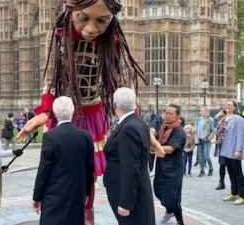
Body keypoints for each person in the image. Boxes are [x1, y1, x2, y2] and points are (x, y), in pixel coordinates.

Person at [17, 0, 165, 222]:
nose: (92, 28)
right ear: (71, 9)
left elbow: (121, 83)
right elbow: (51, 77)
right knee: (63, 167)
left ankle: (87, 214)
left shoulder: (113, 41)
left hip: (94, 112)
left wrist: (137, 121)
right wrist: (44, 111)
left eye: (102, 20)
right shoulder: (60, 35)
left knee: (90, 170)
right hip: (67, 112)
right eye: (83, 18)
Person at [32, 96, 94, 225]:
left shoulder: (50, 136)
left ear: (54, 113)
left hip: (54, 193)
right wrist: (87, 191)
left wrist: (36, 196)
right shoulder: (85, 135)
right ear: (72, 112)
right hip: (77, 193)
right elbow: (89, 167)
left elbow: (44, 169)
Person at [103, 88, 155, 225]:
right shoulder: (138, 122)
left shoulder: (128, 129)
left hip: (130, 194)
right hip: (138, 189)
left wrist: (126, 202)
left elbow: (130, 167)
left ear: (115, 105)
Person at [154, 104, 186, 225]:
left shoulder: (179, 131)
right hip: (162, 165)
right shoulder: (164, 127)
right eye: (166, 113)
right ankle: (169, 210)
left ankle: (179, 220)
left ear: (177, 116)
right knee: (159, 190)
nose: (167, 116)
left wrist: (155, 146)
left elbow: (171, 148)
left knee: (173, 196)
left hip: (173, 167)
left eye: (170, 114)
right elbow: (157, 139)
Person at [218, 100, 244, 205]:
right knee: (230, 172)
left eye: (230, 105)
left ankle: (242, 195)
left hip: (234, 149)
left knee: (238, 173)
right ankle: (234, 192)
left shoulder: (238, 119)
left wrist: (238, 150)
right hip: (225, 150)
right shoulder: (222, 119)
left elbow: (241, 135)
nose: (228, 106)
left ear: (234, 107)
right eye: (226, 105)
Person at [194, 107, 215, 177]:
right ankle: (202, 170)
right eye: (201, 111)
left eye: (204, 111)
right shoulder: (198, 119)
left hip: (206, 140)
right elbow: (195, 128)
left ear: (207, 112)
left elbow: (213, 131)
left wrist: (208, 138)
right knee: (200, 156)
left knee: (206, 155)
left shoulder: (211, 120)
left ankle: (211, 169)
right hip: (199, 140)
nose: (203, 112)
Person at [214, 109, 227, 190]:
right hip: (221, 145)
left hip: (230, 146)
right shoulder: (221, 120)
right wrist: (217, 116)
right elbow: (214, 124)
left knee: (232, 168)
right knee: (222, 165)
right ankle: (221, 182)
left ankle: (235, 186)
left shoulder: (235, 119)